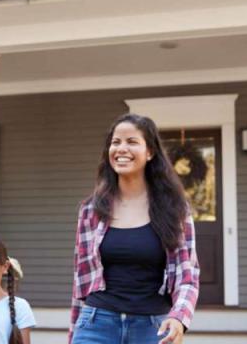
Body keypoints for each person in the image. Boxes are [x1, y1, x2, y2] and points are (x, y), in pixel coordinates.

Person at [69, 113, 200, 344]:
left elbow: (187, 276)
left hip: (152, 327)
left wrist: (179, 318)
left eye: (131, 142)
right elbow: (81, 280)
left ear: (150, 152)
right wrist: (74, 332)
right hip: (96, 324)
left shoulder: (174, 208)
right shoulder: (91, 209)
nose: (121, 148)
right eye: (115, 142)